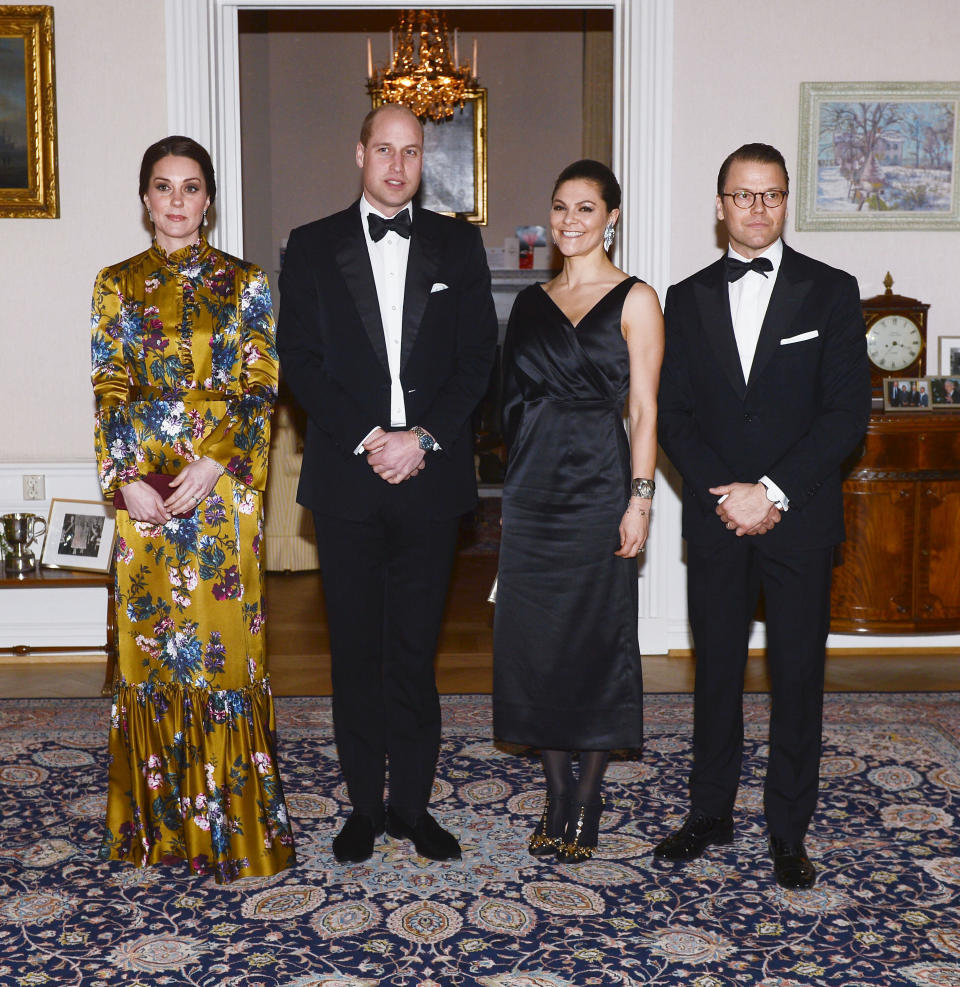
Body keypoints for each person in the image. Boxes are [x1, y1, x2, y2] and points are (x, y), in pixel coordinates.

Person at [277, 104, 497, 864]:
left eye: (411, 152)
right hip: (347, 478)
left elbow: (478, 360)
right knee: (355, 655)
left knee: (413, 651)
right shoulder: (310, 247)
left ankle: (413, 807)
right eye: (383, 149)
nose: (397, 165)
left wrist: (422, 438)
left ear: (421, 159)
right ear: (359, 152)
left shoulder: (457, 245)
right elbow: (299, 360)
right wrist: (373, 437)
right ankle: (363, 810)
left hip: (431, 481)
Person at [655, 143, 870, 889]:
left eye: (770, 195)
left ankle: (788, 829)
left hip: (801, 518)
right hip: (716, 517)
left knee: (796, 676)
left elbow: (847, 416)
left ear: (786, 202)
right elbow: (672, 414)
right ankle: (709, 812)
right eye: (742, 196)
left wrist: (772, 491)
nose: (756, 208)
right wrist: (728, 492)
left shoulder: (833, 292)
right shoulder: (683, 298)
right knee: (715, 673)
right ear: (720, 205)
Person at [92, 135, 295, 883]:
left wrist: (216, 461)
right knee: (149, 655)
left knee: (223, 654)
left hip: (222, 494)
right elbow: (108, 387)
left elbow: (260, 384)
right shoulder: (113, 284)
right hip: (143, 495)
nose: (176, 201)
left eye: (190, 187)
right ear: (145, 198)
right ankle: (160, 829)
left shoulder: (247, 283)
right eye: (162, 186)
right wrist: (125, 480)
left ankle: (234, 829)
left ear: (209, 200)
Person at [493, 160, 664, 862]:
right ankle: (556, 792)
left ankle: (588, 799)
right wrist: (509, 499)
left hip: (599, 484)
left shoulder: (636, 298)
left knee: (596, 640)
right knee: (536, 647)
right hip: (532, 491)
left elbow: (646, 407)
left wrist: (641, 498)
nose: (569, 220)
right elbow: (509, 406)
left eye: (586, 208)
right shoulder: (530, 302)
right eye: (561, 206)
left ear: (612, 216)